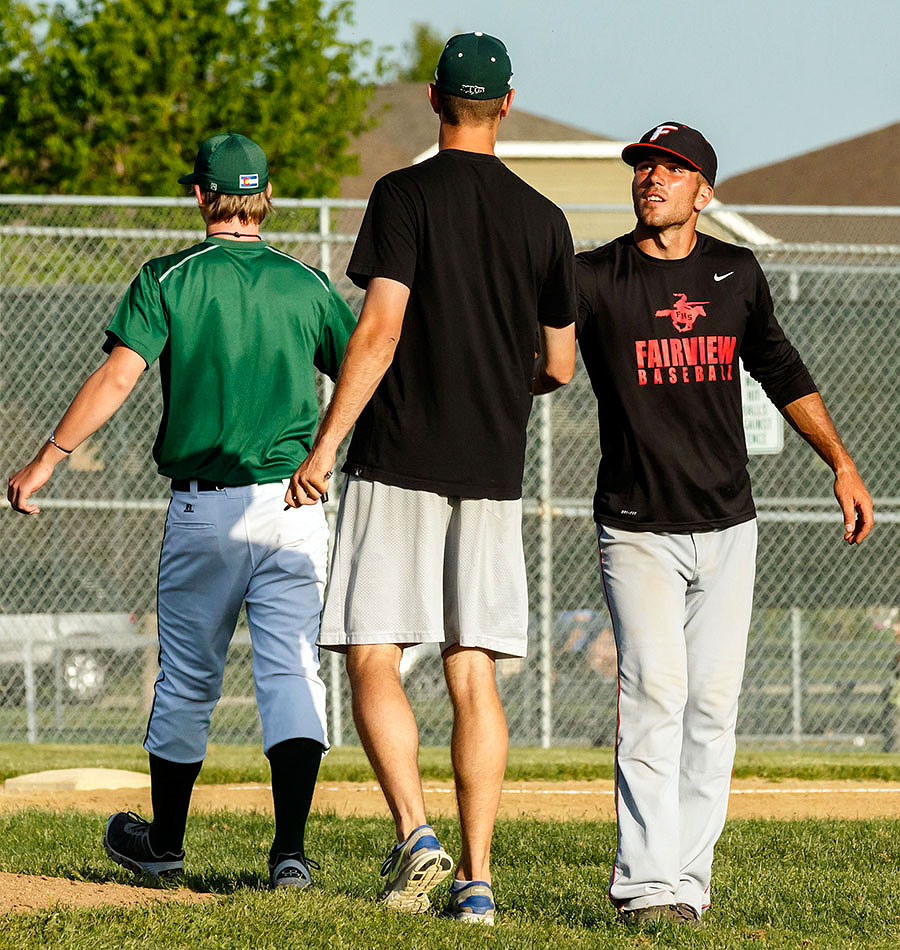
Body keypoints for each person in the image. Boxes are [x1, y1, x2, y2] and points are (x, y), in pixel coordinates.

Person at [7, 133, 356, 890]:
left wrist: (44, 462)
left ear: (200, 195)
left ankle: (164, 844)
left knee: (189, 678)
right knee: (292, 672)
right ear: (266, 198)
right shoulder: (307, 283)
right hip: (294, 505)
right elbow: (363, 371)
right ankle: (289, 854)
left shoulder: (169, 276)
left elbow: (116, 378)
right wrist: (328, 449)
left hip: (204, 511)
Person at [285, 32, 577, 924]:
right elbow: (561, 366)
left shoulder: (403, 194)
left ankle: (416, 834)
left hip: (398, 454)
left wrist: (327, 441)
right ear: (509, 104)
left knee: (373, 650)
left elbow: (378, 330)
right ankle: (477, 884)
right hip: (491, 470)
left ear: (433, 98)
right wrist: (501, 379)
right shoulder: (544, 218)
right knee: (472, 671)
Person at [575, 122, 874, 926]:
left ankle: (687, 886)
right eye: (644, 167)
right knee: (654, 695)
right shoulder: (595, 277)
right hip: (636, 526)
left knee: (711, 705)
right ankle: (644, 887)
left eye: (671, 170)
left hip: (728, 524)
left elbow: (781, 371)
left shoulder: (735, 273)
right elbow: (533, 351)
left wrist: (840, 462)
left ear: (704, 193)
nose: (652, 179)